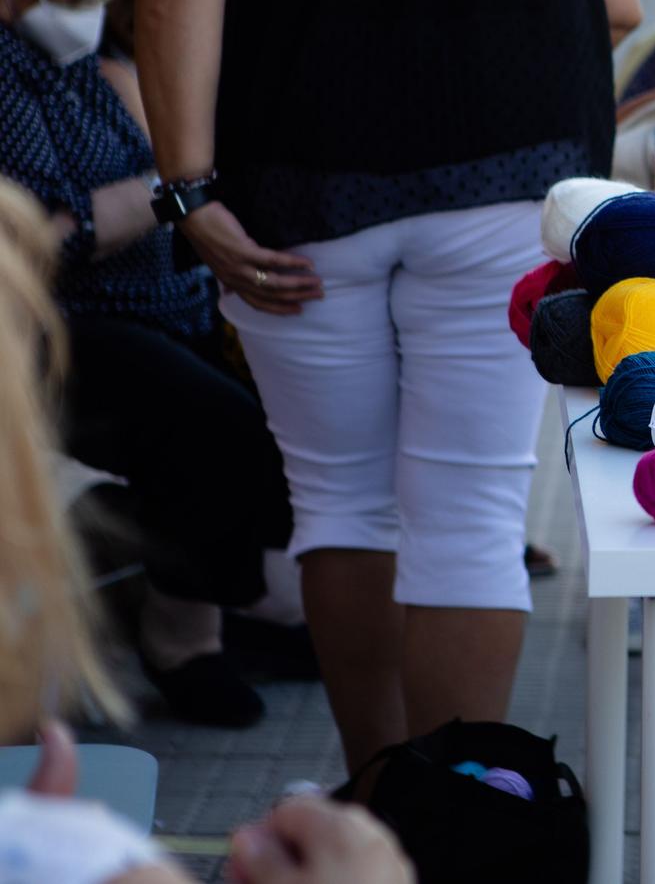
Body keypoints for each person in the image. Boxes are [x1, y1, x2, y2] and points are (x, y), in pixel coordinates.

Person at [107, 0, 640, 774]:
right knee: (469, 516)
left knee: (341, 501)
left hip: (303, 193)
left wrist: (188, 189)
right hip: (513, 181)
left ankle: (380, 802)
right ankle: (468, 822)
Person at [0, 178, 413, 884]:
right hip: (95, 323)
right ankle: (184, 616)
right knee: (217, 425)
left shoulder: (102, 80)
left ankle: (236, 600)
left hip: (171, 308)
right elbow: (53, 234)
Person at [0, 0, 291, 728]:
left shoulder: (75, 65)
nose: (93, 11)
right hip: (55, 326)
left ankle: (212, 598)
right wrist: (162, 198)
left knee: (284, 410)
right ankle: (179, 629)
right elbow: (36, 237)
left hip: (150, 309)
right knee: (217, 428)